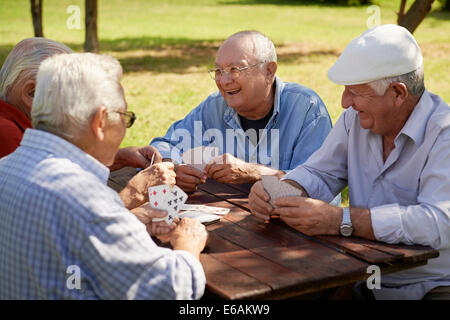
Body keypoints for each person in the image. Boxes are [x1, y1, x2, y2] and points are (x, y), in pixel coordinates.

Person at [248, 24, 450, 300]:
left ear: (398, 93)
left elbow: (438, 222)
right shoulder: (356, 119)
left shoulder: (444, 134)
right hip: (362, 275)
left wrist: (341, 220)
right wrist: (286, 188)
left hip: (434, 284)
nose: (344, 102)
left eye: (356, 92)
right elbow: (320, 171)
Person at [0, 53, 208, 299]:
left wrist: (127, 223)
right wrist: (188, 242)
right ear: (100, 121)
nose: (123, 128)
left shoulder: (6, 167)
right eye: (124, 117)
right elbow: (171, 288)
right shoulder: (85, 197)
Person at [150, 30, 333, 192]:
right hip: (231, 224)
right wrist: (174, 169)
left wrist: (256, 173)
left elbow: (318, 184)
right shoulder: (214, 106)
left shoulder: (307, 109)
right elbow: (164, 145)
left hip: (290, 226)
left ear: (269, 71)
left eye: (234, 69)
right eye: (219, 70)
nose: (223, 80)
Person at [0, 37, 162, 170]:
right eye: (71, 91)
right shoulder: (7, 134)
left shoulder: (20, 124)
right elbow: (56, 192)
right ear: (31, 94)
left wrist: (117, 158)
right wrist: (135, 193)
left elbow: (61, 167)